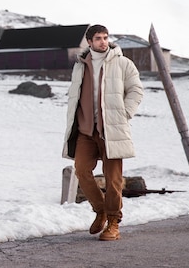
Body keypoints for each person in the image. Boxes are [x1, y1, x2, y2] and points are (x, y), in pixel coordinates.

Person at [62, 24, 144, 241]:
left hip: (111, 130)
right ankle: (100, 210)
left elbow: (136, 89)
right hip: (85, 130)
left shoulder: (123, 63)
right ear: (89, 42)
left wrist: (124, 114)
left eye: (105, 37)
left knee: (113, 179)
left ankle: (114, 223)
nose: (103, 41)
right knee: (81, 170)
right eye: (98, 38)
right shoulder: (80, 66)